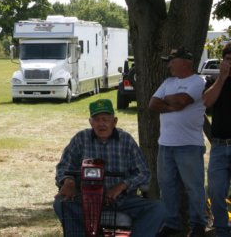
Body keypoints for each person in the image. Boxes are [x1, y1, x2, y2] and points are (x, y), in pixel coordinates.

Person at [53, 99, 165, 235]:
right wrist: (68, 181)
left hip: (122, 201)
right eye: (97, 119)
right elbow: (64, 166)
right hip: (85, 200)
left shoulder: (126, 140)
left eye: (106, 119)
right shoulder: (80, 139)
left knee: (159, 208)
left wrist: (122, 186)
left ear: (115, 121)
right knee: (60, 204)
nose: (101, 123)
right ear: (90, 122)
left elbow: (143, 172)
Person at [149, 47, 207, 237]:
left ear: (185, 62)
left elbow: (183, 101)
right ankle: (172, 222)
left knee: (194, 186)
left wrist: (168, 101)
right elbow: (152, 104)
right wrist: (171, 104)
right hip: (165, 144)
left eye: (171, 60)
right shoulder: (168, 81)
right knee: (167, 186)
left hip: (189, 145)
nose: (169, 64)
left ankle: (198, 224)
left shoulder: (198, 81)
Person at [203, 42, 231, 237]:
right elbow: (206, 102)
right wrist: (221, 78)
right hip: (220, 146)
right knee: (215, 191)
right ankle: (222, 229)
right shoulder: (216, 81)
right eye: (228, 59)